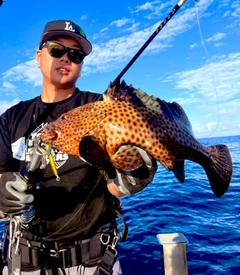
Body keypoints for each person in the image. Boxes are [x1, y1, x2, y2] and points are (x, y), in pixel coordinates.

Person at [0, 20, 157, 275]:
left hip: (93, 261)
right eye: (56, 49)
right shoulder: (11, 118)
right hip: (22, 261)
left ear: (81, 66)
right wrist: (3, 194)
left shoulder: (101, 107)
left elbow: (114, 188)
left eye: (75, 54)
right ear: (39, 57)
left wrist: (135, 171)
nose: (66, 58)